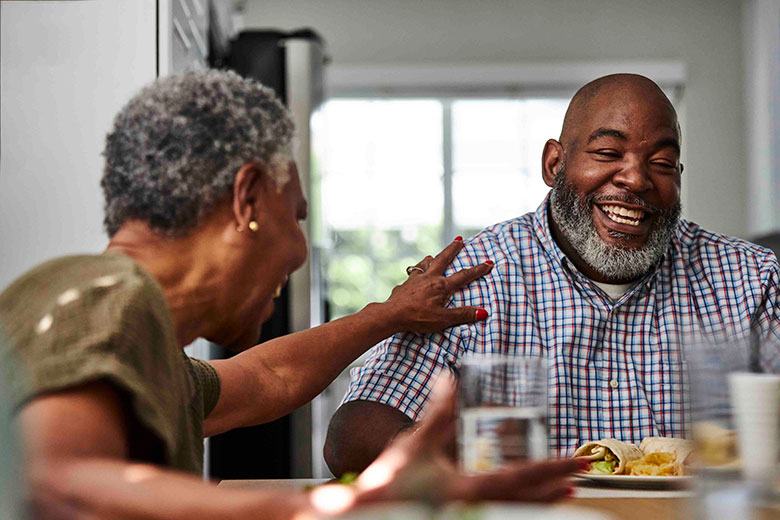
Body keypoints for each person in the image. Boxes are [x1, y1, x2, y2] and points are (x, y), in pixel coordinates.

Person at [0, 70, 580, 519]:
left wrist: (388, 315)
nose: (300, 251)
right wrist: (341, 505)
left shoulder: (146, 349)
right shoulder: (97, 292)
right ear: (247, 201)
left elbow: (266, 382)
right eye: (294, 217)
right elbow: (58, 481)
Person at [324, 73, 780, 476]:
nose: (636, 179)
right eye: (607, 152)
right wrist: (430, 445)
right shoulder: (475, 275)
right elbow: (351, 438)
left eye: (661, 164)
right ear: (554, 164)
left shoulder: (749, 278)